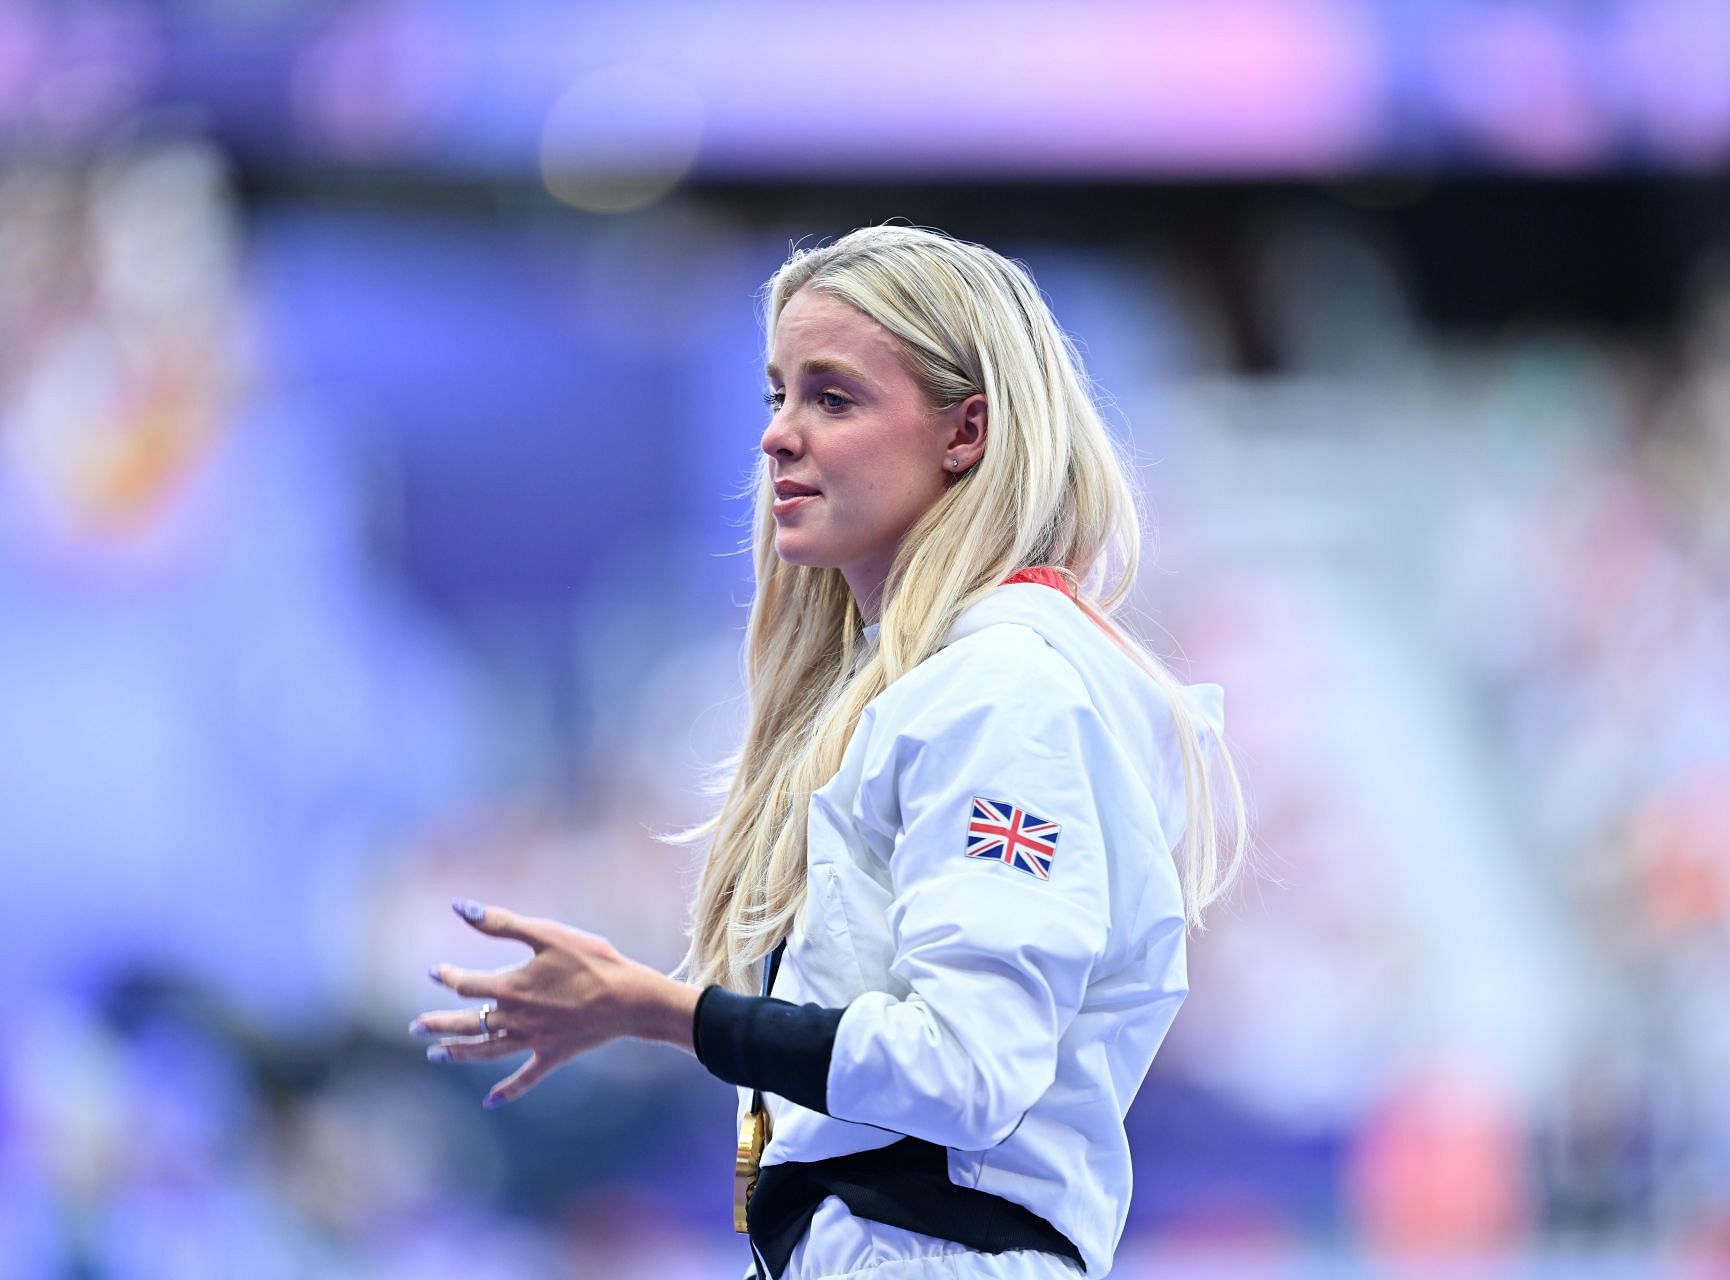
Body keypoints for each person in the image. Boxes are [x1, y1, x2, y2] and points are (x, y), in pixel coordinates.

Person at [411, 225, 1247, 1279]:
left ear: (965, 432)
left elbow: (965, 1065)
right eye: (777, 397)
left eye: (834, 398)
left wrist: (656, 1007)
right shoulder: (925, 685)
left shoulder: (1007, 689)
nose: (779, 437)